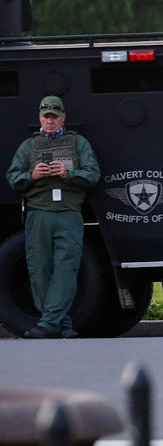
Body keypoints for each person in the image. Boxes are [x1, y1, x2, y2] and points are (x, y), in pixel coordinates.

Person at [5, 96, 100, 338]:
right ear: (39, 118)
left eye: (54, 117)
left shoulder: (79, 144)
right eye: (46, 117)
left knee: (66, 268)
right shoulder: (28, 147)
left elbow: (93, 174)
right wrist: (32, 175)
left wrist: (68, 173)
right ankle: (64, 324)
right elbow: (13, 177)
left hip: (68, 214)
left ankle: (47, 325)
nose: (50, 121)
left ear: (63, 118)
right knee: (40, 270)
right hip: (39, 213)